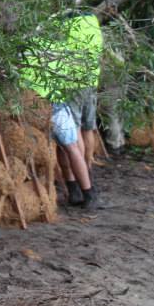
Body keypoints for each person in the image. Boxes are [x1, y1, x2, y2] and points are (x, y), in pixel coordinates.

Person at [22, 22, 102, 209]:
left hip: (34, 107)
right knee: (71, 147)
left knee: (64, 148)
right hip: (55, 105)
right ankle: (87, 193)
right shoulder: (57, 48)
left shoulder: (23, 51)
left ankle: (75, 190)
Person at [64, 12, 104, 170]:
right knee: (89, 127)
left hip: (74, 82)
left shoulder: (70, 25)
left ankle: (80, 170)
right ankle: (88, 165)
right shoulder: (93, 24)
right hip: (91, 80)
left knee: (75, 127)